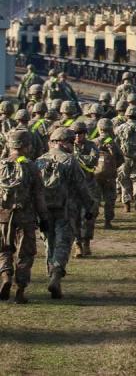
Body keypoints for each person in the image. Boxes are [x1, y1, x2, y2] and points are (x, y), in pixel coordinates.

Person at [37, 127, 94, 299]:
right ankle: (56, 274)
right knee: (63, 243)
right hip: (66, 209)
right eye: (71, 142)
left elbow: (33, 189)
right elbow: (81, 187)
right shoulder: (70, 160)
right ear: (65, 142)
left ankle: (51, 274)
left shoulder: (38, 161)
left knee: (49, 242)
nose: (73, 146)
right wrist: (90, 207)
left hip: (44, 210)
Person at [0, 129, 48, 304]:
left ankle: (5, 276)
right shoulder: (32, 167)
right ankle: (20, 289)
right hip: (25, 217)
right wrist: (44, 218)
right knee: (25, 253)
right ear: (27, 146)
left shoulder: (1, 165)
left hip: (3, 216)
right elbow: (39, 196)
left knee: (4, 249)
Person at [71, 122, 100, 258]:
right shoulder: (68, 146)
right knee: (74, 215)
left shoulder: (91, 145)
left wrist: (77, 158)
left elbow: (94, 159)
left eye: (80, 133)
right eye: (75, 133)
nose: (77, 136)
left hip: (89, 185)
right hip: (74, 187)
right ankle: (77, 244)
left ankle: (87, 242)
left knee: (90, 215)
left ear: (85, 134)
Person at [91, 118, 121, 229]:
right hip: (109, 176)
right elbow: (120, 158)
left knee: (95, 198)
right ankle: (108, 222)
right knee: (109, 199)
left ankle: (92, 221)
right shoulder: (113, 142)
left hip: (95, 175)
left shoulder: (93, 142)